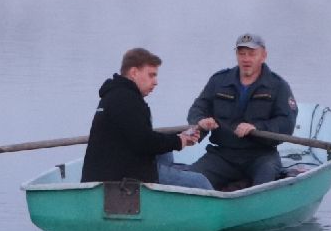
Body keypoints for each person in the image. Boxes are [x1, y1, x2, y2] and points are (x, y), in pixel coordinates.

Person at [82, 47, 211, 189]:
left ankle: (176, 176)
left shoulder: (116, 95)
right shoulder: (126, 99)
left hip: (115, 166)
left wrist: (180, 137)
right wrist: (179, 141)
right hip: (121, 180)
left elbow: (140, 135)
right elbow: (144, 142)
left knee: (166, 154)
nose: (156, 82)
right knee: (200, 181)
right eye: (151, 75)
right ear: (134, 73)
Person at [187, 33, 298, 191]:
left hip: (261, 156)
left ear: (263, 55)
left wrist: (256, 128)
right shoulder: (219, 81)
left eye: (252, 54)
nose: (246, 59)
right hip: (222, 156)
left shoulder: (279, 86)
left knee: (262, 186)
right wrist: (200, 121)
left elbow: (286, 124)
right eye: (241, 53)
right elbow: (198, 108)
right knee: (190, 181)